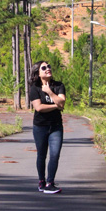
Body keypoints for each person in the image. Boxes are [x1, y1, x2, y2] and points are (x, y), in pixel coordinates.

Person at [29, 60, 66, 194]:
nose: (47, 69)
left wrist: (50, 92)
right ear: (38, 73)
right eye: (43, 68)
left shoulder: (59, 85)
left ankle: (50, 183)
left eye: (49, 66)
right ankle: (41, 181)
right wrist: (56, 106)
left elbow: (63, 100)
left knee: (55, 155)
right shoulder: (35, 88)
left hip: (56, 127)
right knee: (41, 155)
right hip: (40, 127)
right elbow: (39, 107)